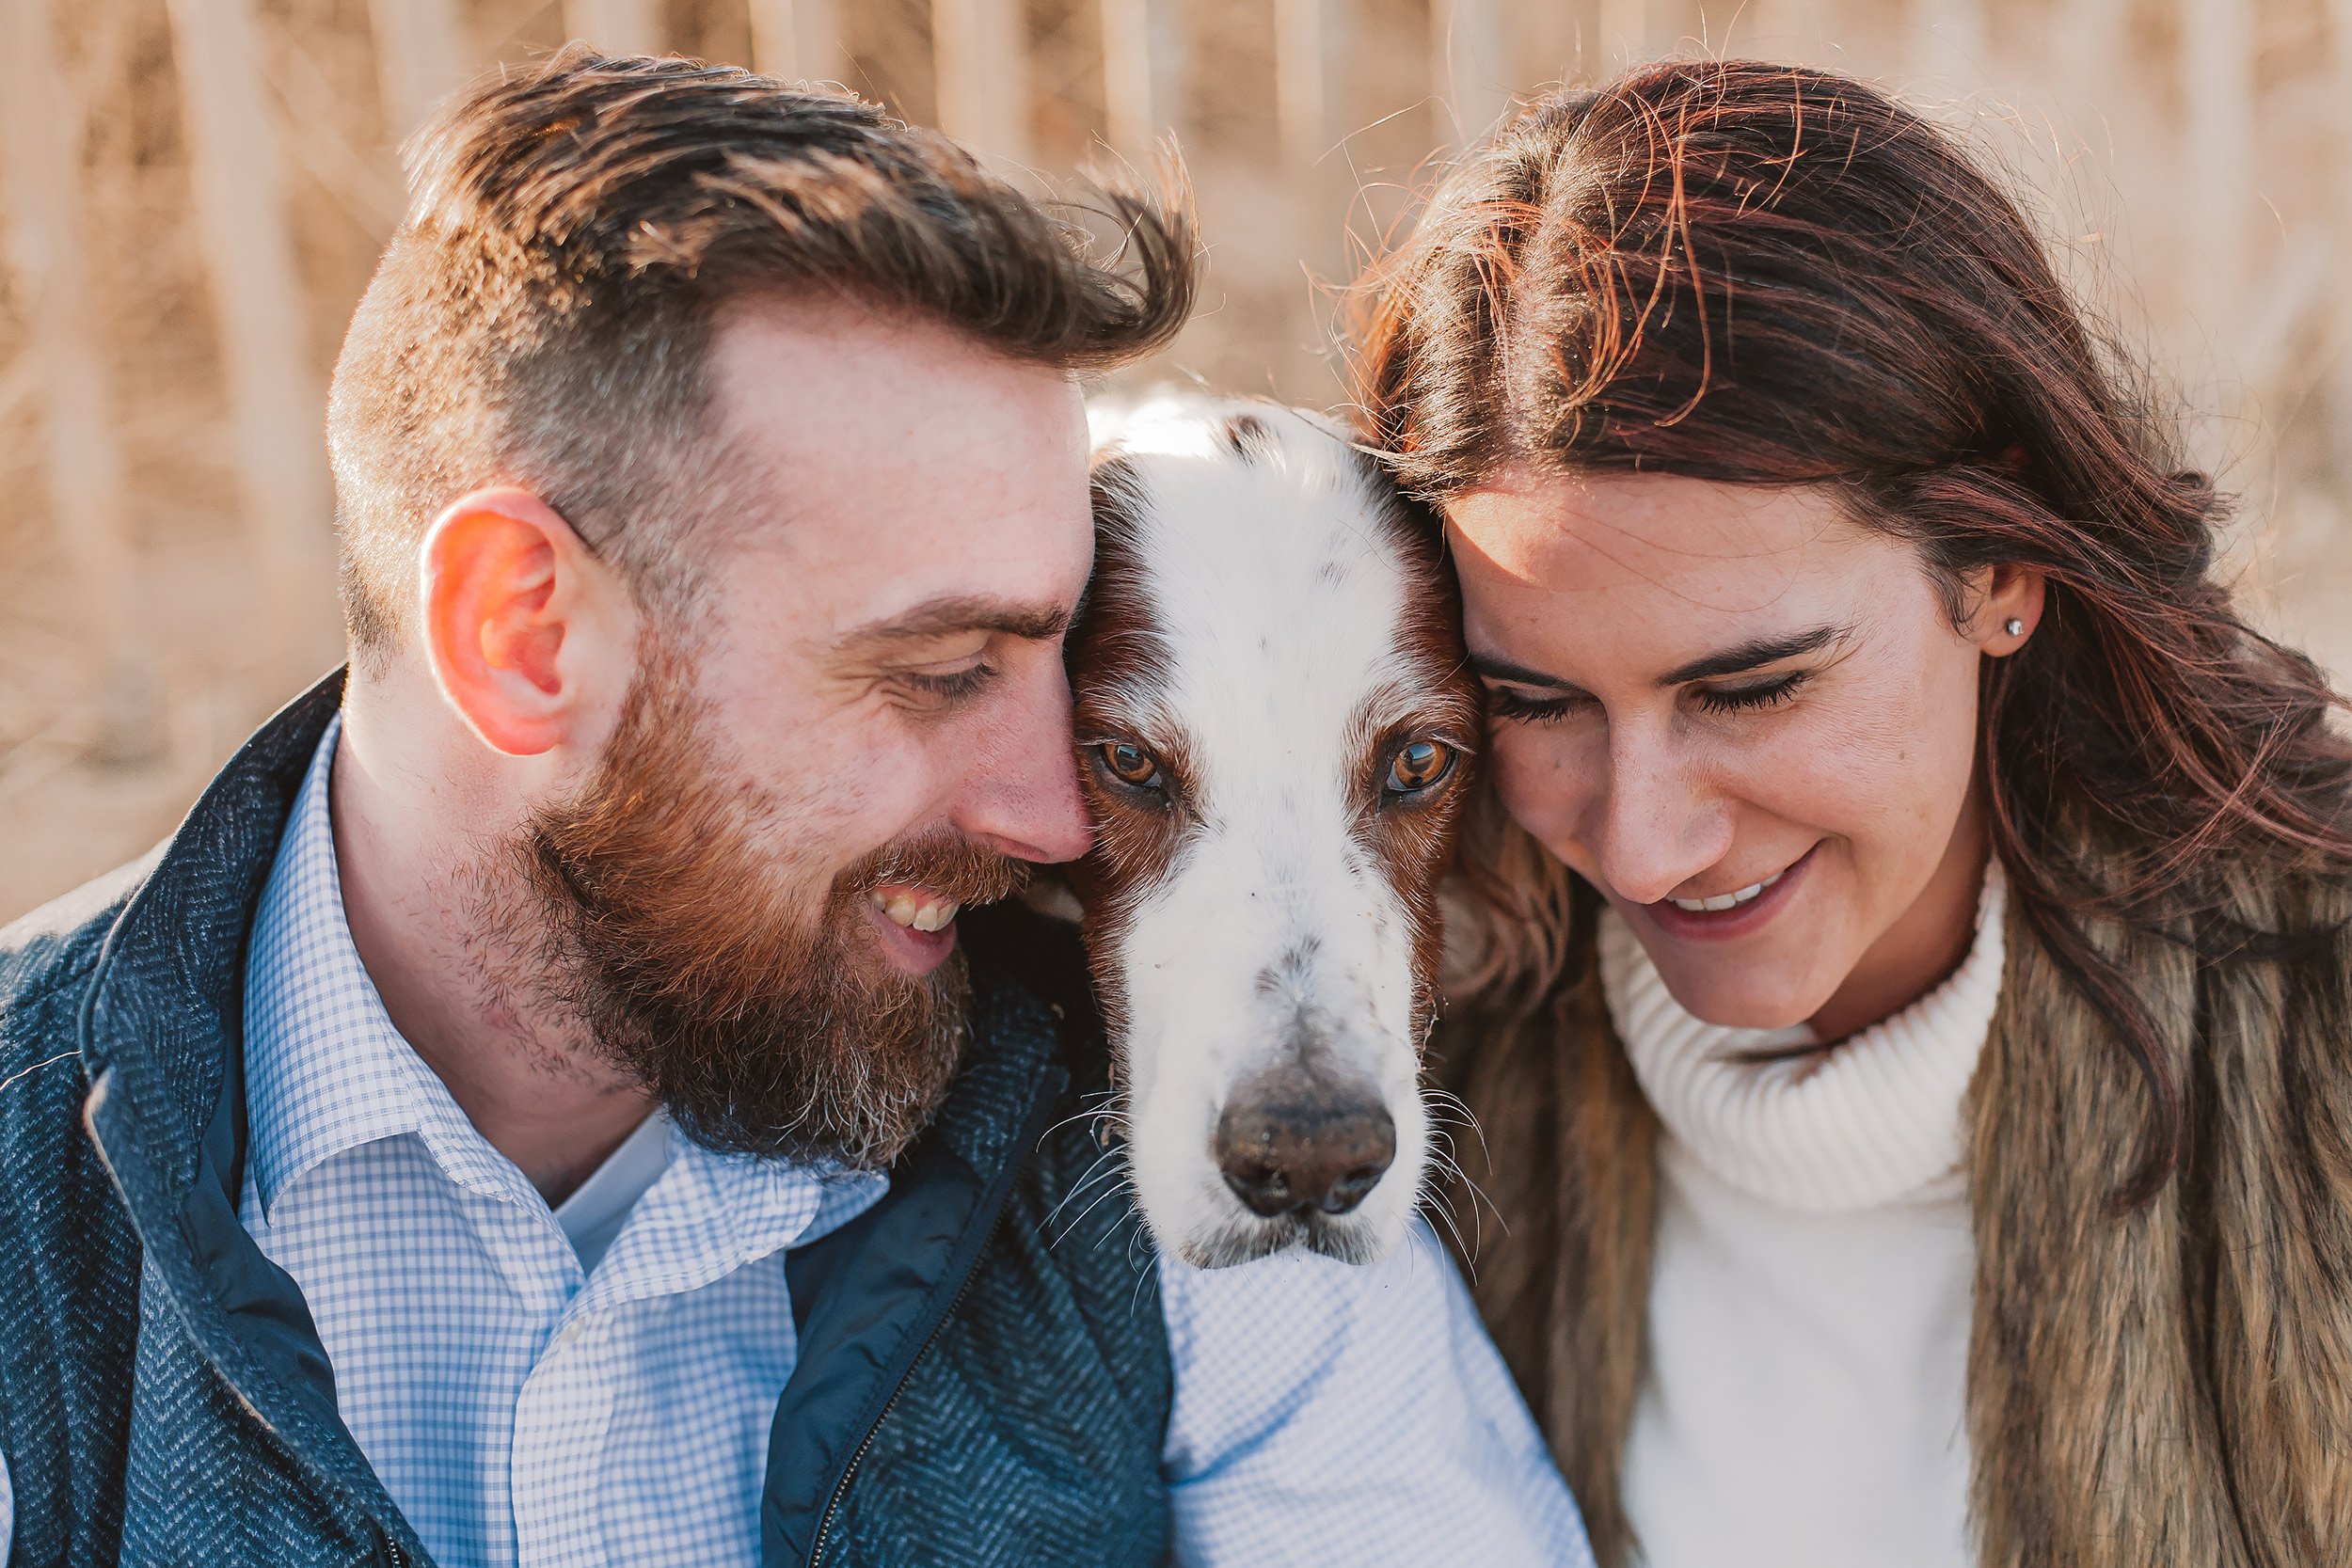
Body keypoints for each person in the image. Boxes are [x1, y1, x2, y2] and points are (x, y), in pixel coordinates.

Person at [0, 52, 1588, 1568]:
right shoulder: (26, 1216)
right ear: (522, 636)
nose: (1053, 823)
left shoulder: (1113, 1147)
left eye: (1052, 657)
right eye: (942, 670)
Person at [1355, 57, 2352, 1568]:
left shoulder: (2319, 1043)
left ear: (2002, 571)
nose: (1640, 845)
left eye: (1751, 688)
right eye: (1534, 704)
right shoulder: (1391, 1069)